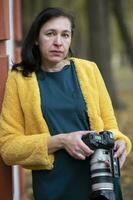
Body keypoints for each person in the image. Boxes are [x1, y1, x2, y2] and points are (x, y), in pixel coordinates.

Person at [0, 7, 132, 200]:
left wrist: (121, 142)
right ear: (36, 38)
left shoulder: (89, 70)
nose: (58, 42)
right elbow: (8, 147)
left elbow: (111, 127)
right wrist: (61, 140)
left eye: (65, 35)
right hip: (54, 185)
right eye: (50, 34)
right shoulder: (20, 79)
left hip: (101, 181)